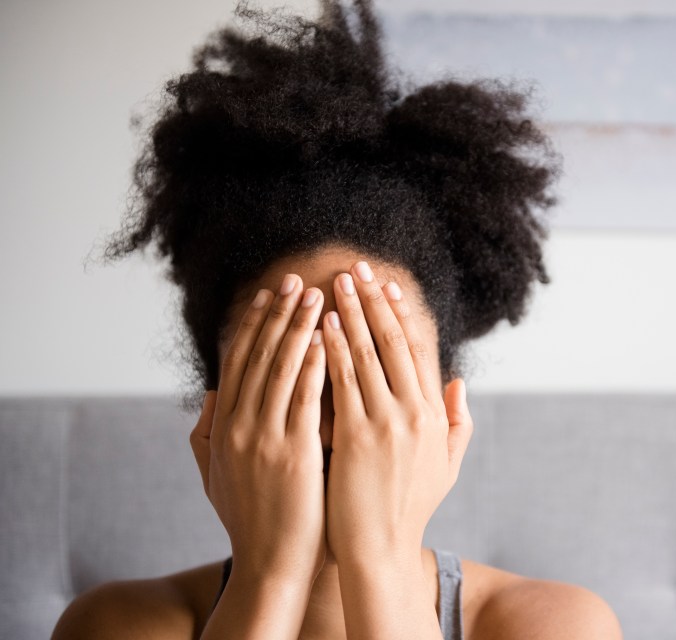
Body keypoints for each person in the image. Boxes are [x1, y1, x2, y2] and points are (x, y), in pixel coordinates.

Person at [53, 1, 622, 637]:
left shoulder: (556, 624)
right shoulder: (115, 623)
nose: (337, 420)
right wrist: (270, 577)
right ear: (214, 417)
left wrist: (377, 559)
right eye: (287, 367)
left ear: (448, 414)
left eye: (377, 362)